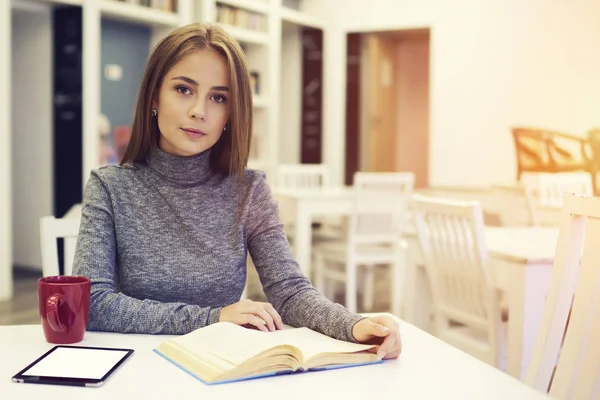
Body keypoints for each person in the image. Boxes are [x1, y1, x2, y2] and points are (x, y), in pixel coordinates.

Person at [72, 23, 401, 360]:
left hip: (224, 368)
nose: (199, 111)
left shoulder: (250, 190)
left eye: (218, 98)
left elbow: (289, 292)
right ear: (155, 95)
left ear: (230, 113)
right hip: (139, 367)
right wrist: (212, 319)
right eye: (184, 89)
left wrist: (353, 325)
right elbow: (92, 304)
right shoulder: (110, 187)